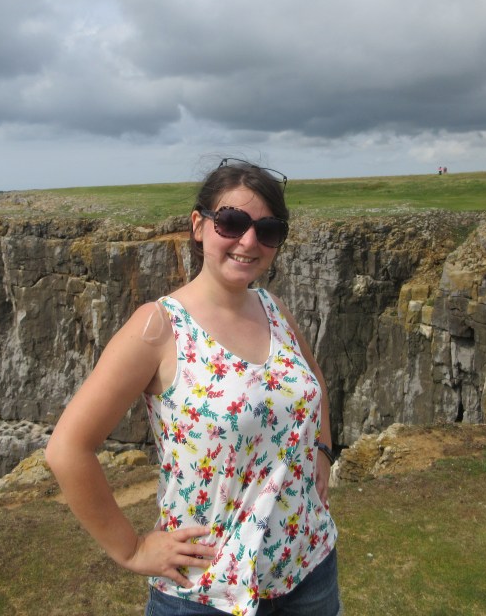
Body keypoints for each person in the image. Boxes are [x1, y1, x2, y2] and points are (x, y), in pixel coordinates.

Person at [46, 158, 341, 616]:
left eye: (268, 229)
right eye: (232, 222)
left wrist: (322, 451)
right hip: (208, 590)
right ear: (199, 226)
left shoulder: (272, 308)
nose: (248, 241)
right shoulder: (158, 327)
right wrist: (131, 549)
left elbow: (313, 380)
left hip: (308, 567)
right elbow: (67, 449)